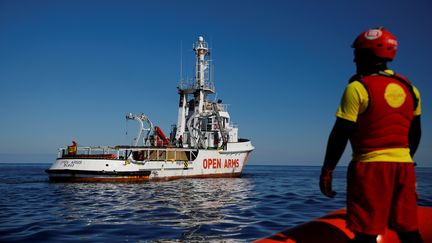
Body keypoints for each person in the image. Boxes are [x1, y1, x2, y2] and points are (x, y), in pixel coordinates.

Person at [319, 27, 423, 243]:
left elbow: (340, 133)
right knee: (409, 232)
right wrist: (407, 160)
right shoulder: (410, 89)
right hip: (404, 168)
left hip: (370, 169)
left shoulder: (357, 88)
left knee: (365, 234)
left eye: (357, 53)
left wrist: (327, 170)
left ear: (367, 54)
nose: (354, 58)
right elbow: (416, 133)